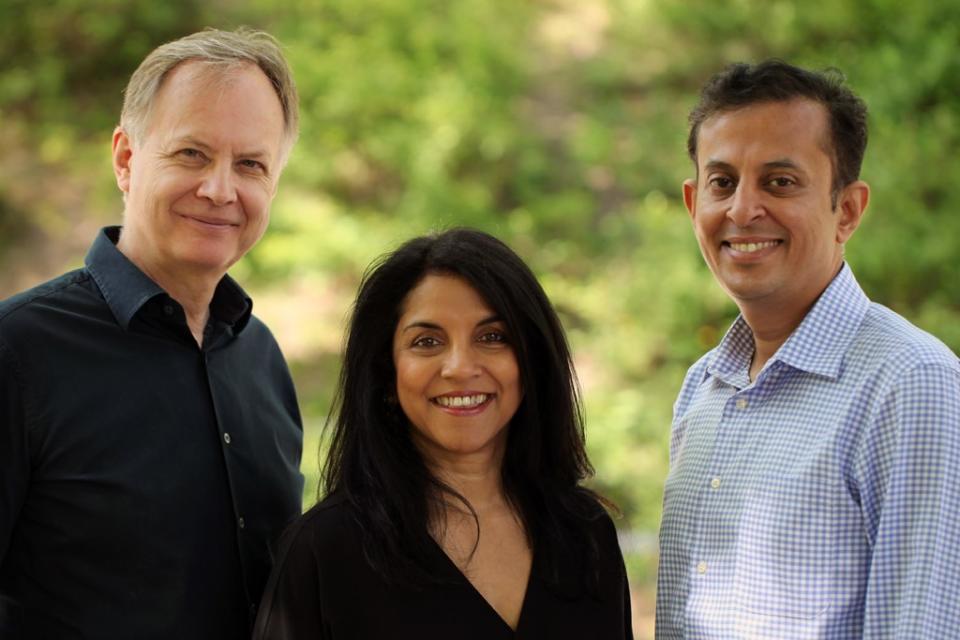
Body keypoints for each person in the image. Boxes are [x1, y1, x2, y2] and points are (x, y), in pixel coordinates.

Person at [0, 28, 304, 638]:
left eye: (250, 164)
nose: (220, 190)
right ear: (125, 159)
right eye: (191, 153)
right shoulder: (17, 352)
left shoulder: (262, 357)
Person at [656, 59, 960, 638]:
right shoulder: (704, 387)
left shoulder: (911, 383)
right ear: (694, 202)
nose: (743, 210)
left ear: (847, 209)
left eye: (780, 181)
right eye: (722, 182)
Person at [253, 228, 633, 639]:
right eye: (427, 341)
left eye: (492, 337)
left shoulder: (585, 535)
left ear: (531, 361)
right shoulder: (323, 552)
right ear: (387, 373)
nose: (459, 367)